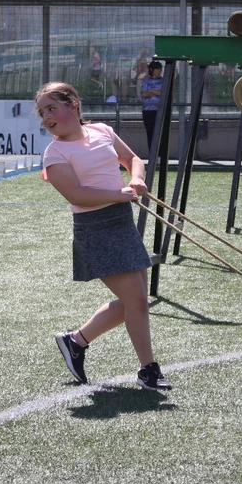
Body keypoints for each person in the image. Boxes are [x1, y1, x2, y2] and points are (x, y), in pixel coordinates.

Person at [36, 81, 171, 392]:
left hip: (122, 221)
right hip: (95, 228)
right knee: (137, 300)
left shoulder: (102, 130)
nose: (46, 118)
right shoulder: (54, 153)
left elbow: (133, 159)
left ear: (73, 105)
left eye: (52, 108)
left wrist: (136, 180)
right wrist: (118, 194)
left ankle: (75, 341)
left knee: (134, 301)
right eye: (42, 113)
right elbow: (77, 195)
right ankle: (148, 370)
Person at [140, 59, 164, 153]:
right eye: (158, 69)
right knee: (150, 133)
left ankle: (160, 153)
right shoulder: (146, 81)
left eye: (160, 69)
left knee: (160, 133)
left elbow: (163, 93)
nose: (159, 71)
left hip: (160, 110)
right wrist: (156, 92)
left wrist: (151, 91)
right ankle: (152, 153)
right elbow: (144, 94)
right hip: (148, 111)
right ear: (152, 70)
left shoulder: (163, 80)